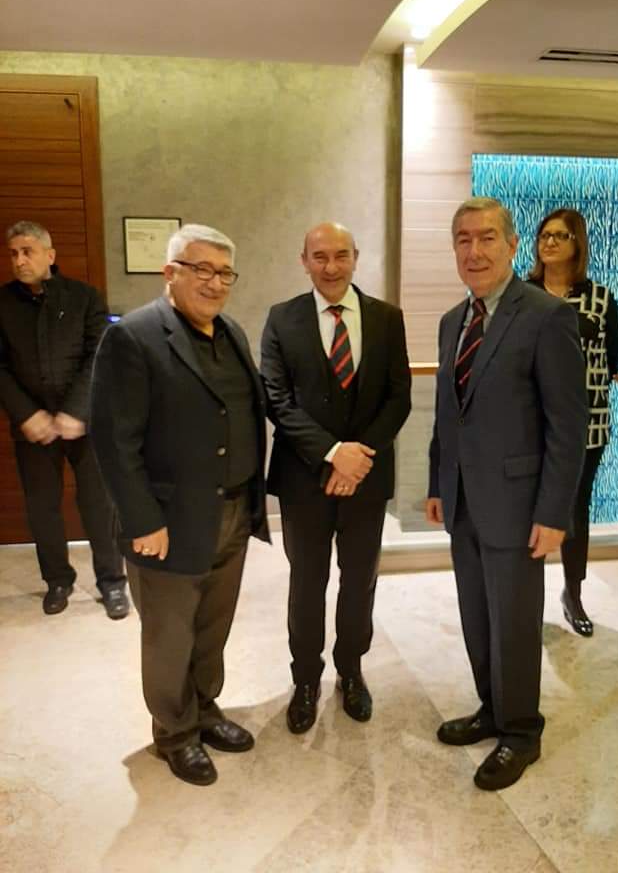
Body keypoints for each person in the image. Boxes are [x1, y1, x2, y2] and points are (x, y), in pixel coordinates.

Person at [90, 224, 269, 786]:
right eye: (202, 270)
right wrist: (143, 520)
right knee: (170, 637)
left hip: (232, 511)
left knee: (212, 627)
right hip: (166, 522)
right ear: (170, 272)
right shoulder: (134, 337)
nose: (215, 283)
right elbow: (114, 441)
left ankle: (205, 710)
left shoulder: (232, 332)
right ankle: (174, 732)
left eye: (225, 273)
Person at [426, 197, 587, 791]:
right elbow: (448, 414)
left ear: (513, 245)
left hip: (519, 506)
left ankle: (521, 731)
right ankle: (492, 708)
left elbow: (567, 426)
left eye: (487, 237)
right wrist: (437, 482)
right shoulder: (453, 321)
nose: (475, 250)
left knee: (515, 622)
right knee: (476, 614)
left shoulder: (546, 316)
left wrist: (554, 512)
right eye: (463, 239)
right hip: (463, 499)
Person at [261, 222, 411, 734]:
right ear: (304, 260)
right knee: (307, 582)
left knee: (359, 580)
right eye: (320, 256)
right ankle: (305, 679)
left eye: (341, 255)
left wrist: (357, 458)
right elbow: (276, 399)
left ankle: (351, 669)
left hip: (367, 477)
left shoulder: (387, 318)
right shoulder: (282, 319)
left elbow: (398, 396)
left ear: (356, 257)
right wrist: (331, 455)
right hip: (304, 479)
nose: (331, 266)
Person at [0, 221, 128, 619]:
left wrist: (76, 410)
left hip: (85, 422)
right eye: (13, 253)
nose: (19, 260)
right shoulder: (2, 303)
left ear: (50, 255)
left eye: (28, 251)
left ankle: (112, 582)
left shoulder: (84, 297)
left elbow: (99, 354)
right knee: (42, 508)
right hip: (32, 426)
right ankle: (57, 580)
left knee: (98, 504)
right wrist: (27, 414)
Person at [528, 207, 618, 636]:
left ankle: (574, 593)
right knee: (526, 509)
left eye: (560, 235)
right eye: (544, 235)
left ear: (577, 243)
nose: (549, 242)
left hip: (587, 425)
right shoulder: (520, 294)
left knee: (574, 510)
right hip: (528, 424)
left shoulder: (600, 299)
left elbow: (614, 358)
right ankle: (525, 597)